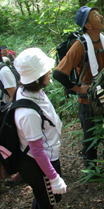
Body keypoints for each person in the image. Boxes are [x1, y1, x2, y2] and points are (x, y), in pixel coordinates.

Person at [53, 6, 104, 171]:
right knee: (90, 135)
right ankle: (91, 170)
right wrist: (78, 89)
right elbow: (59, 74)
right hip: (88, 100)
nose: (100, 16)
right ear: (88, 25)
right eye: (95, 15)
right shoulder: (79, 46)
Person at [14, 48, 67, 208]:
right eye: (46, 70)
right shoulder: (28, 113)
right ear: (37, 78)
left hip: (46, 158)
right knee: (47, 202)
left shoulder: (30, 91)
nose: (50, 71)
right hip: (38, 164)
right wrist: (53, 177)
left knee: (44, 198)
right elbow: (36, 150)